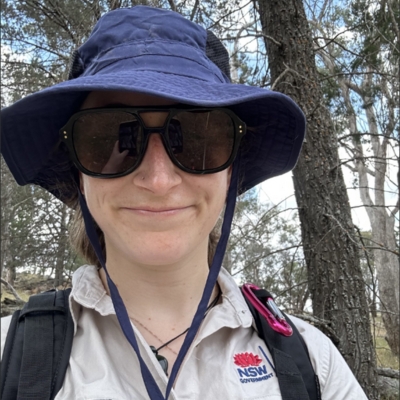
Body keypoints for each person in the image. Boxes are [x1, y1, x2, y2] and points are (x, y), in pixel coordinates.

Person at [1, 6, 367, 400]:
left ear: (232, 171)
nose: (158, 180)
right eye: (110, 138)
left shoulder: (313, 362)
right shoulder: (9, 357)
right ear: (78, 172)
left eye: (196, 138)